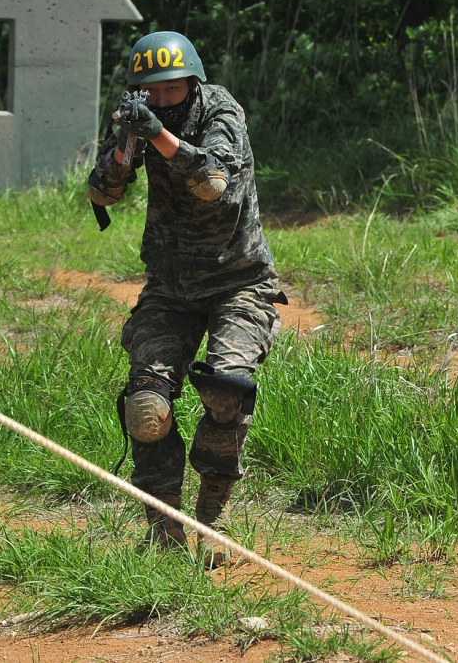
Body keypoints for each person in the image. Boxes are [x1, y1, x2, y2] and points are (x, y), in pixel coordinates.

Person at [87, 31, 285, 560]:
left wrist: (158, 136)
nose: (163, 99)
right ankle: (165, 526)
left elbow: (213, 183)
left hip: (237, 281)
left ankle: (216, 517)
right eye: (153, 91)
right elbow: (100, 193)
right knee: (146, 409)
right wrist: (126, 149)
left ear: (192, 83)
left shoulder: (220, 110)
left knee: (226, 390)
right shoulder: (138, 117)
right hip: (171, 285)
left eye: (173, 89)